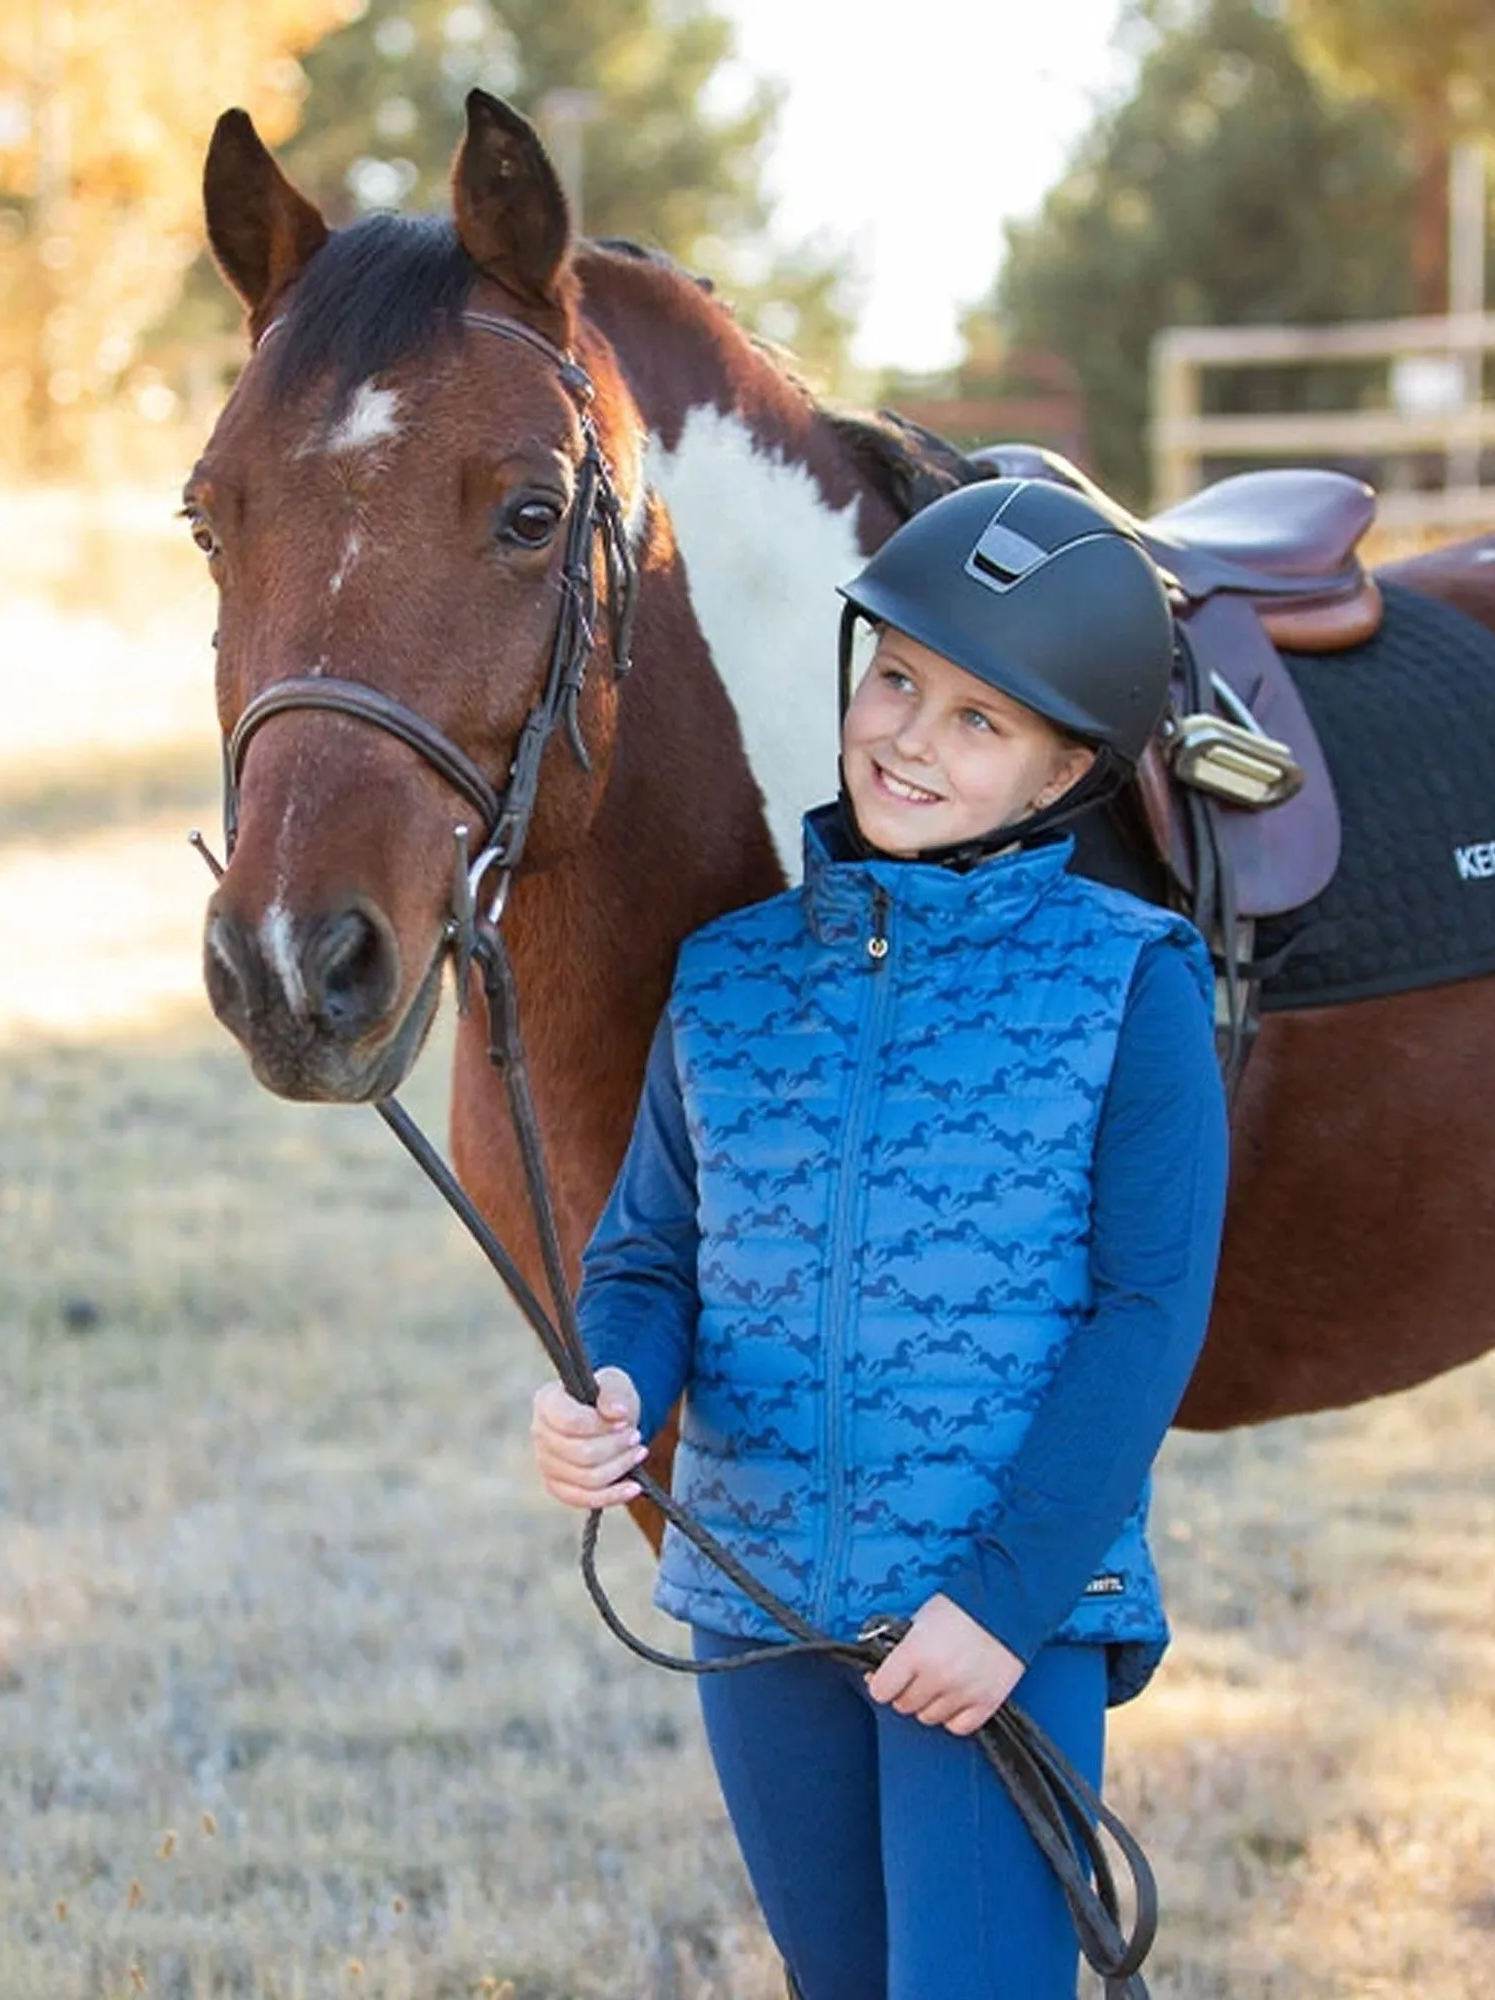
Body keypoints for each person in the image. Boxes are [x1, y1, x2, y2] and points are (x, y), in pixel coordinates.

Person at [530, 479, 1229, 2000]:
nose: (911, 736)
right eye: (899, 678)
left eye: (981, 721)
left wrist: (1003, 1604)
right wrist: (613, 1393)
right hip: (756, 1596)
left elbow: (1147, 1314)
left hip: (992, 1618)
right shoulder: (725, 978)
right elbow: (650, 1257)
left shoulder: (1131, 984)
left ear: (1064, 775)